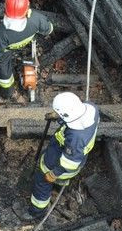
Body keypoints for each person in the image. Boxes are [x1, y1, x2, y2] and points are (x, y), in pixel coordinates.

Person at [22, 92, 99, 220]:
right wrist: (59, 116)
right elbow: (73, 116)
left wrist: (54, 174)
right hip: (65, 152)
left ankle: (37, 211)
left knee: (42, 182)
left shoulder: (76, 138)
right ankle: (60, 183)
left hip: (60, 165)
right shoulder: (91, 109)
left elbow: (70, 162)